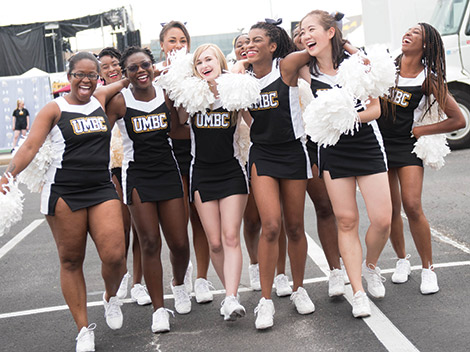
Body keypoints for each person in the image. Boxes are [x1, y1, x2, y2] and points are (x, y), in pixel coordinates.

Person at [0, 52, 129, 352]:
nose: (85, 80)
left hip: (100, 188)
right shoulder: (53, 109)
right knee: (71, 260)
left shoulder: (99, 97)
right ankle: (83, 329)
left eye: (91, 75)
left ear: (97, 77)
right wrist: (9, 174)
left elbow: (121, 82)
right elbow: (30, 145)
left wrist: (138, 74)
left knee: (115, 256)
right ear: (68, 76)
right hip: (64, 193)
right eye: (78, 75)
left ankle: (110, 297)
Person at [299, 10, 392, 318]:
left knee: (382, 220)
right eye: (301, 32)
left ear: (330, 32)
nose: (305, 35)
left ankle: (371, 266)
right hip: (333, 151)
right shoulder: (305, 70)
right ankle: (358, 291)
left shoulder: (356, 65)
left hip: (365, 143)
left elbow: (376, 109)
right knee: (347, 220)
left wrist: (346, 117)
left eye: (311, 29)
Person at [234, 20, 317, 330]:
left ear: (272, 46)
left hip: (293, 152)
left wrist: (313, 33)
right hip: (263, 155)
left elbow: (313, 49)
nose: (249, 45)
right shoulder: (240, 79)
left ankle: (299, 289)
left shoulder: (286, 67)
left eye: (258, 40)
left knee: (295, 226)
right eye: (246, 41)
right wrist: (239, 66)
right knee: (270, 225)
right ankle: (265, 302)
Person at [106, 46, 191, 333]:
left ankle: (179, 284)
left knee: (179, 243)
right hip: (138, 175)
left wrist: (177, 86)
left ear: (153, 66)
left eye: (145, 65)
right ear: (125, 73)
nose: (141, 71)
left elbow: (182, 127)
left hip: (168, 171)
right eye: (133, 68)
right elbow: (97, 108)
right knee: (150, 243)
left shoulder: (167, 94)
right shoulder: (120, 100)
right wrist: (121, 83)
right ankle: (159, 309)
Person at [377, 23, 465, 294]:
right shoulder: (386, 68)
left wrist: (421, 130)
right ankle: (402, 261)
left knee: (412, 206)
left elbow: (458, 119)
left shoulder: (428, 78)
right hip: (379, 146)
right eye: (408, 31)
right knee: (390, 209)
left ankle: (428, 269)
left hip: (406, 147)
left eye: (416, 34)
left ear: (425, 45)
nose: (408, 34)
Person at [181, 43, 249, 320]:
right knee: (215, 242)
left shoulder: (235, 93)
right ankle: (229, 294)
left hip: (232, 171)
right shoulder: (191, 96)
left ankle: (231, 297)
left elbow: (257, 124)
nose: (204, 65)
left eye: (209, 59)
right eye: (198, 62)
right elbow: (179, 118)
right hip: (202, 173)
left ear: (220, 62)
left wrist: (241, 73)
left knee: (231, 236)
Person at [233, 33, 293, 296]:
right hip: (244, 152)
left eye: (251, 42)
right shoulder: (233, 79)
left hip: (268, 147)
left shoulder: (274, 72)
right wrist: (238, 69)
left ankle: (280, 272)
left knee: (275, 220)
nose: (246, 47)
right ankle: (255, 263)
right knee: (253, 219)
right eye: (241, 45)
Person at [156, 21, 212, 303]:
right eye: (171, 41)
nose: (177, 46)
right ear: (162, 45)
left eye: (182, 41)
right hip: (169, 158)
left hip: (200, 153)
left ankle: (202, 279)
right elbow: (173, 127)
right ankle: (181, 277)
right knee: (177, 226)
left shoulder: (199, 72)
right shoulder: (154, 78)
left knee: (201, 219)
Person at [98, 47, 151, 306]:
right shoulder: (99, 96)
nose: (110, 69)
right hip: (110, 170)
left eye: (114, 64)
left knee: (141, 229)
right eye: (104, 66)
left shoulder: (135, 90)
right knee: (120, 231)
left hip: (134, 165)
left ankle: (139, 282)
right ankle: (122, 278)